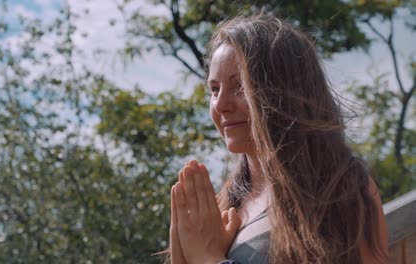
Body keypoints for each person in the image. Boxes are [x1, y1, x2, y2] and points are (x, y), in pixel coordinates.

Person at [165, 13, 389, 264]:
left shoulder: (341, 189)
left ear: (284, 92)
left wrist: (208, 258)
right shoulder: (220, 208)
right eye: (214, 89)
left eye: (240, 85)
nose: (221, 105)